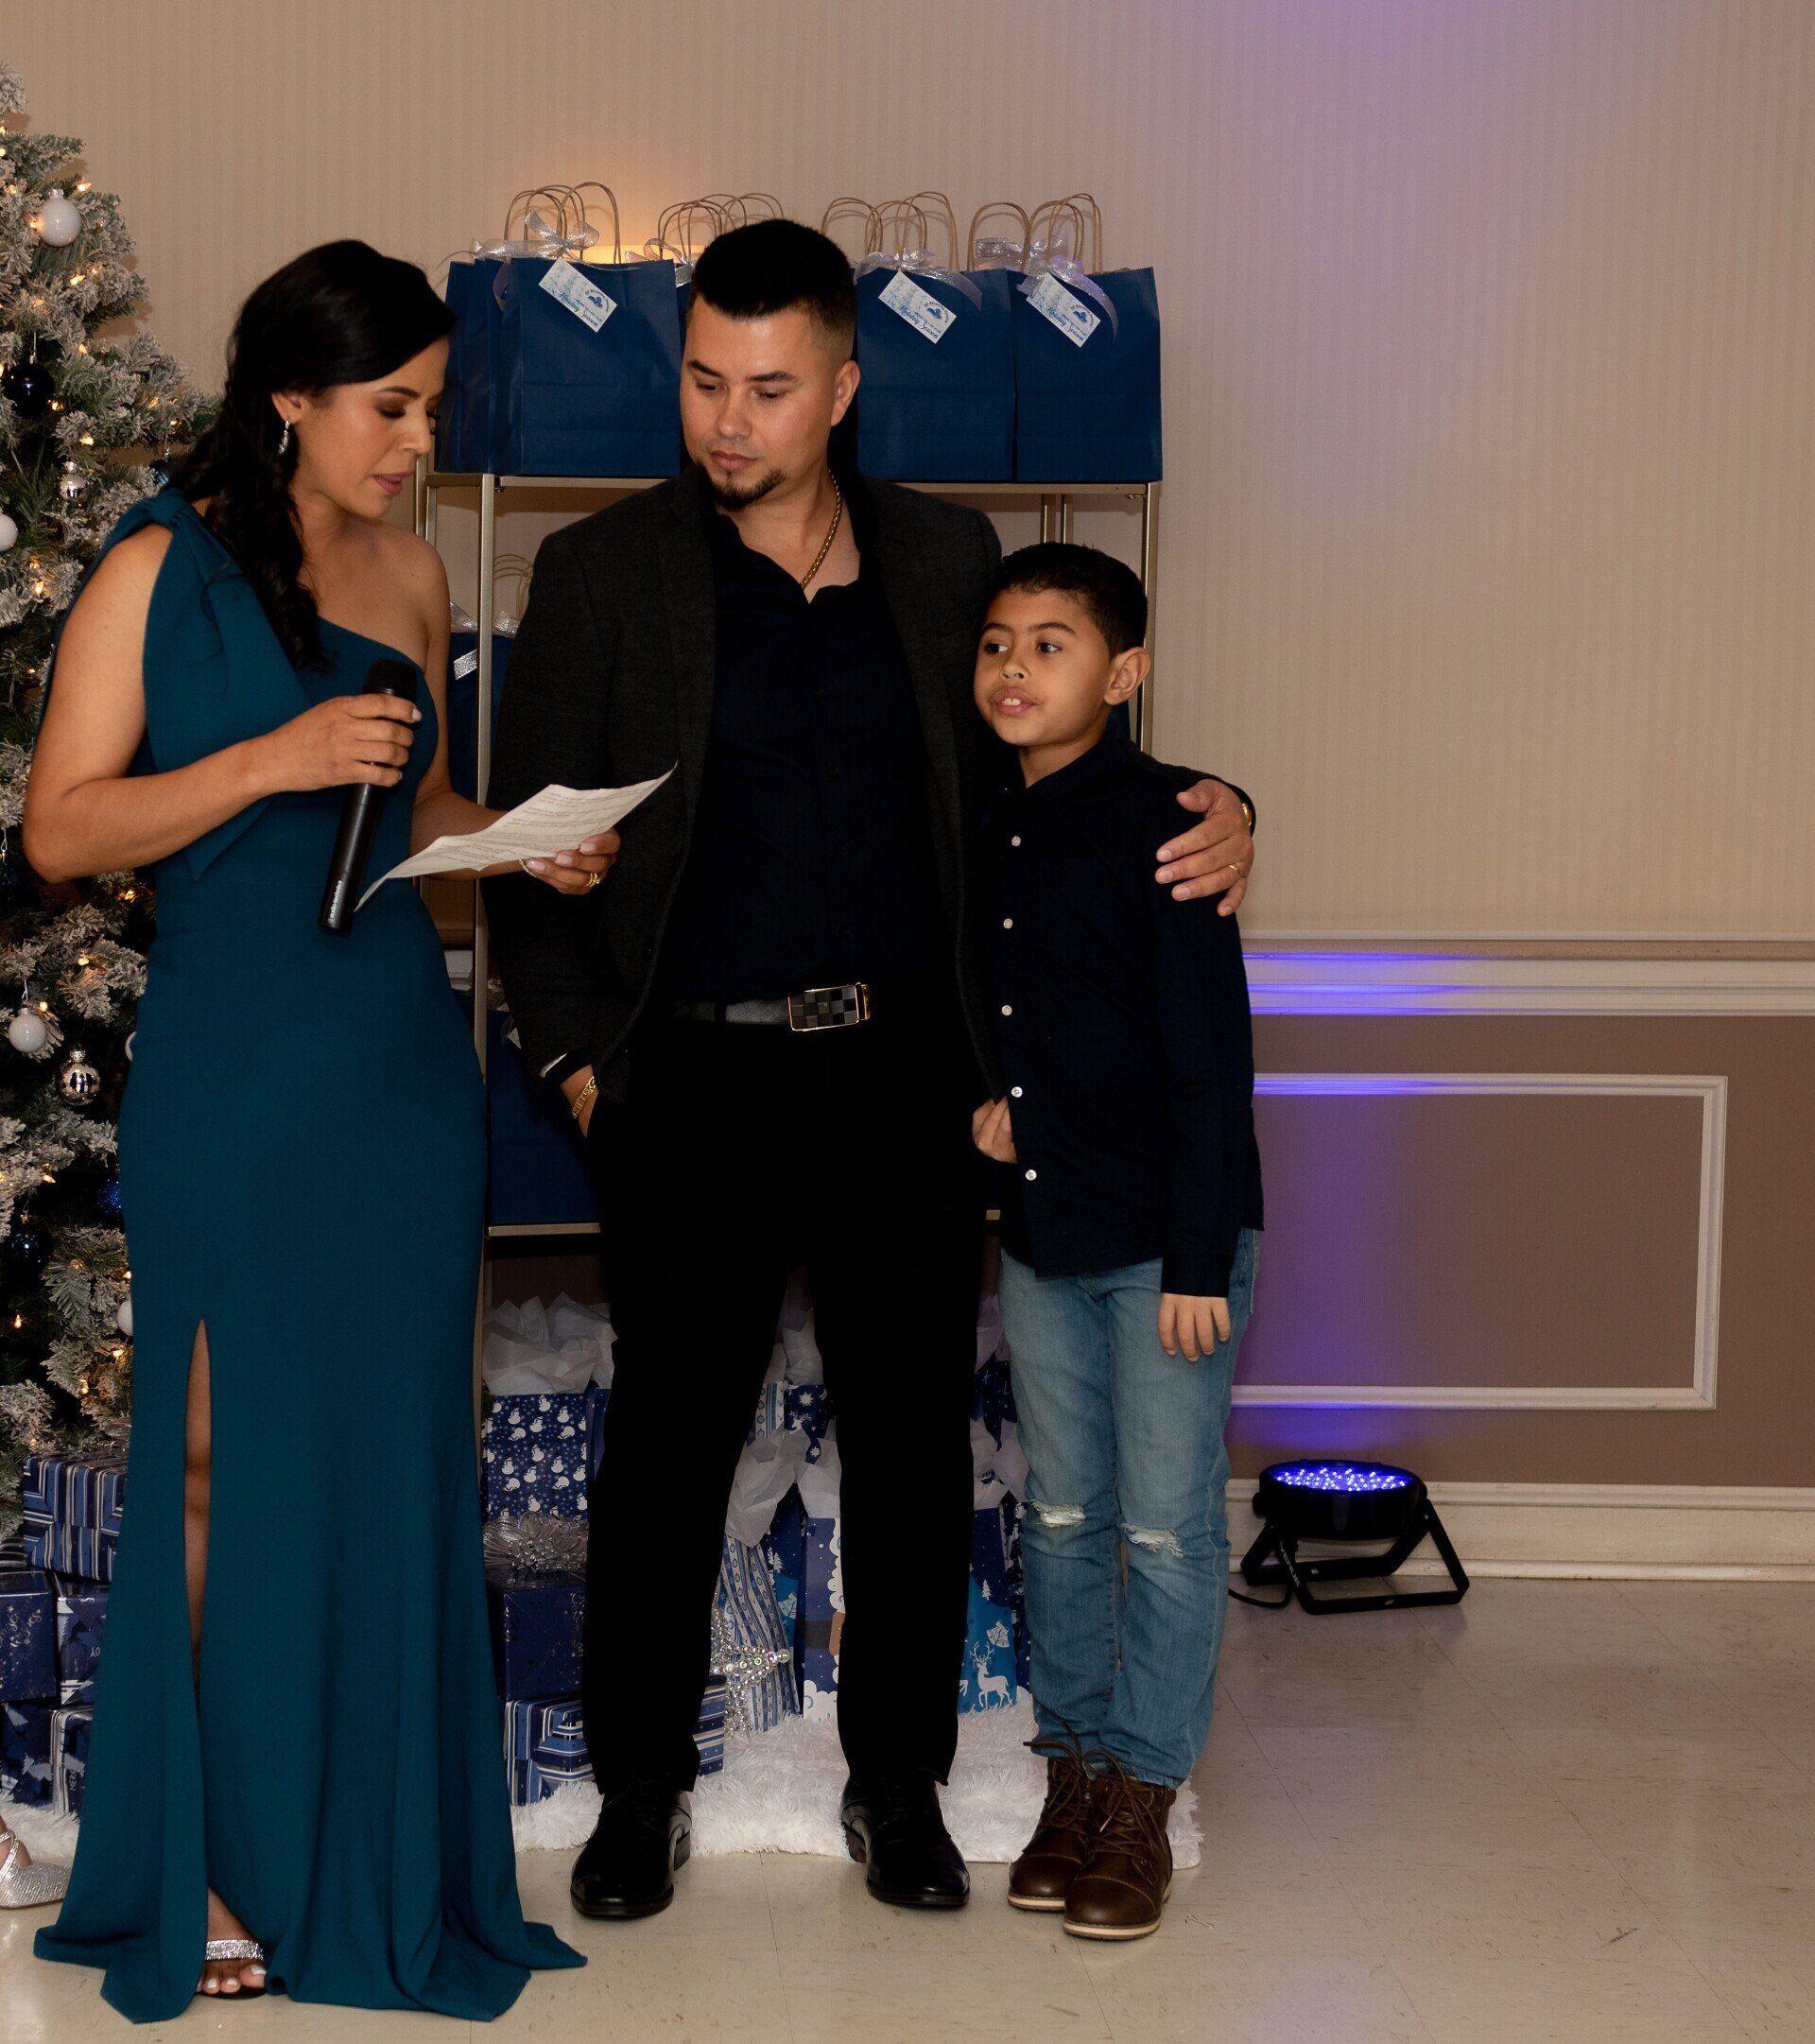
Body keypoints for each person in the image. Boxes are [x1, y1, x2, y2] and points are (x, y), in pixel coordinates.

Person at [483, 218, 1256, 1919]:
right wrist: (579, 1067)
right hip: (686, 1080)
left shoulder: (945, 556)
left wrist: (1216, 807)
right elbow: (523, 853)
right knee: (669, 1449)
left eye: (768, 388)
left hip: (909, 1072)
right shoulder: (605, 574)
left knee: (912, 1449)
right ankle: (639, 1795)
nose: (727, 421)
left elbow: (1048, 758)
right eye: (702, 381)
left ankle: (895, 1790)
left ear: (843, 386)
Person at [22, 240, 593, 2020]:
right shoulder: (149, 566)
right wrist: (268, 758)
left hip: (392, 1070)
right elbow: (60, 830)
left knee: (390, 1455)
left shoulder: (418, 573)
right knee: (203, 1454)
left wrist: (523, 836)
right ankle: (194, 1858)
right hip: (236, 1060)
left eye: (434, 406)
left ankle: (372, 1849)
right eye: (390, 406)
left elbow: (411, 795)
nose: (418, 438)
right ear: (290, 396)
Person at [968, 543, 1264, 1942]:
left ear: (1125, 672)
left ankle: (1144, 1791)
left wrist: (1202, 1259)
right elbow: (1016, 1017)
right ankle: (1073, 1769)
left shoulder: (1174, 825)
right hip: (1042, 1234)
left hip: (1166, 1248)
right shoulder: (986, 821)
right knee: (1068, 1517)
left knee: (1165, 1517)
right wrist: (991, 1107)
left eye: (1053, 643)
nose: (1017, 668)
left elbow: (1211, 1064)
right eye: (998, 644)